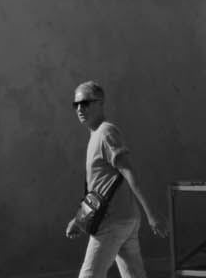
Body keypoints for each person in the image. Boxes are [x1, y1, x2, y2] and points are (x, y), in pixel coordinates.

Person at [64, 81, 167, 278]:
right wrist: (78, 220)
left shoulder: (106, 132)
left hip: (112, 222)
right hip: (123, 219)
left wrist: (151, 214)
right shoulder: (96, 135)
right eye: (75, 104)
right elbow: (99, 190)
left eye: (85, 103)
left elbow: (130, 173)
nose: (79, 108)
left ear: (100, 103)